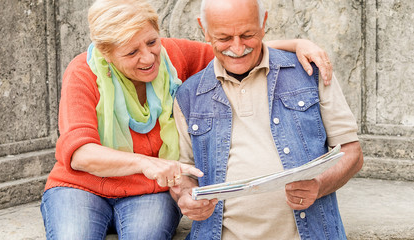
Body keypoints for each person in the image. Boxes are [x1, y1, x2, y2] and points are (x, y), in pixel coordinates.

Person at [40, 0, 335, 239]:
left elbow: (231, 49)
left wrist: (297, 44)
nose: (148, 58)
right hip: (79, 187)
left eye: (152, 42)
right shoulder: (82, 71)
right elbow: (79, 154)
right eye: (131, 52)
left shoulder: (173, 56)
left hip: (148, 191)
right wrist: (147, 163)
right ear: (106, 52)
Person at [171, 0, 364, 239]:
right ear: (204, 29)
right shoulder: (188, 95)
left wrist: (318, 185)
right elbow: (183, 173)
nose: (238, 47)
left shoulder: (310, 71)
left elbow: (352, 153)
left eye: (247, 34)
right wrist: (187, 196)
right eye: (224, 38)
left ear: (263, 23)